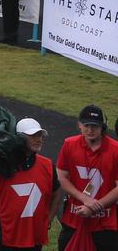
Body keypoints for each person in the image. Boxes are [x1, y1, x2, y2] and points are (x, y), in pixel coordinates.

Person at [0, 117, 60, 251]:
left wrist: (48, 220)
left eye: (39, 135)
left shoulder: (47, 165)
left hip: (32, 239)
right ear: (19, 139)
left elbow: (57, 193)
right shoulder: (2, 163)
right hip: (1, 238)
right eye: (33, 136)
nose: (38, 139)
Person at [56, 105, 118, 250]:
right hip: (74, 220)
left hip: (105, 224)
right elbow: (61, 177)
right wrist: (85, 199)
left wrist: (96, 206)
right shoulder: (69, 144)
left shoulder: (115, 150)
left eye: (95, 126)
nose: (90, 130)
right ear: (79, 125)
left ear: (103, 127)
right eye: (86, 125)